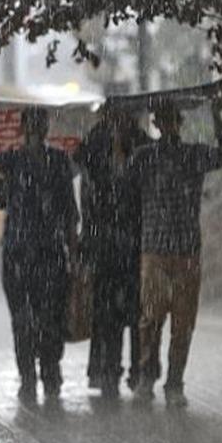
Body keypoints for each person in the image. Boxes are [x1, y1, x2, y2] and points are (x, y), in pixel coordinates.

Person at [126, 95, 222, 408]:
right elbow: (122, 185)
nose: (168, 125)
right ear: (157, 124)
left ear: (178, 123)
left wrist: (217, 118)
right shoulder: (143, 156)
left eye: (172, 119)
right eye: (163, 119)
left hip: (185, 250)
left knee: (182, 323)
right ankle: (148, 377)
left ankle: (174, 382)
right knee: (151, 319)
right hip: (155, 249)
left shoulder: (192, 155)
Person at [0, 106, 79, 404]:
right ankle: (28, 377)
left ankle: (50, 374)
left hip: (51, 253)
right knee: (23, 320)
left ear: (44, 129)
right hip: (18, 254)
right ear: (24, 129)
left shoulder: (57, 162)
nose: (35, 131)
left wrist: (74, 250)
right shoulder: (13, 160)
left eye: (39, 125)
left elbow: (69, 211)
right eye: (31, 125)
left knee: (51, 318)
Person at [75, 106, 153, 399]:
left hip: (132, 243)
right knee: (107, 313)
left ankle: (137, 370)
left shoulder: (140, 143)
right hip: (106, 244)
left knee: (134, 313)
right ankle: (108, 370)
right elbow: (85, 175)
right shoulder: (96, 142)